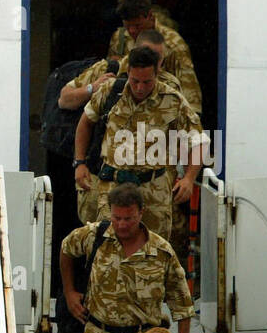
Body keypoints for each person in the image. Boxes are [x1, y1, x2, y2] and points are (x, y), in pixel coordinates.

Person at [59, 185, 194, 333]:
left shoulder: (161, 251)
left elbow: (180, 299)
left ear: (141, 213)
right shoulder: (95, 236)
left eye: (128, 219)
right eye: (116, 218)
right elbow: (66, 249)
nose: (121, 224)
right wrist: (70, 292)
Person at [71, 46, 205, 243]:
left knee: (154, 254)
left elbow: (198, 141)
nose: (140, 87)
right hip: (113, 187)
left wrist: (189, 178)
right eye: (135, 81)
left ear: (157, 74)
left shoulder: (172, 100)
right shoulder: (111, 91)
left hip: (153, 191)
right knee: (109, 250)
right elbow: (85, 122)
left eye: (147, 82)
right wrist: (80, 162)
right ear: (129, 73)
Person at [105, 0, 201, 114]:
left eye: (137, 25)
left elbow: (190, 94)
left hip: (161, 114)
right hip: (125, 112)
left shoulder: (173, 44)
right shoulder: (120, 38)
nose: (132, 31)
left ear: (150, 16)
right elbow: (110, 78)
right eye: (127, 25)